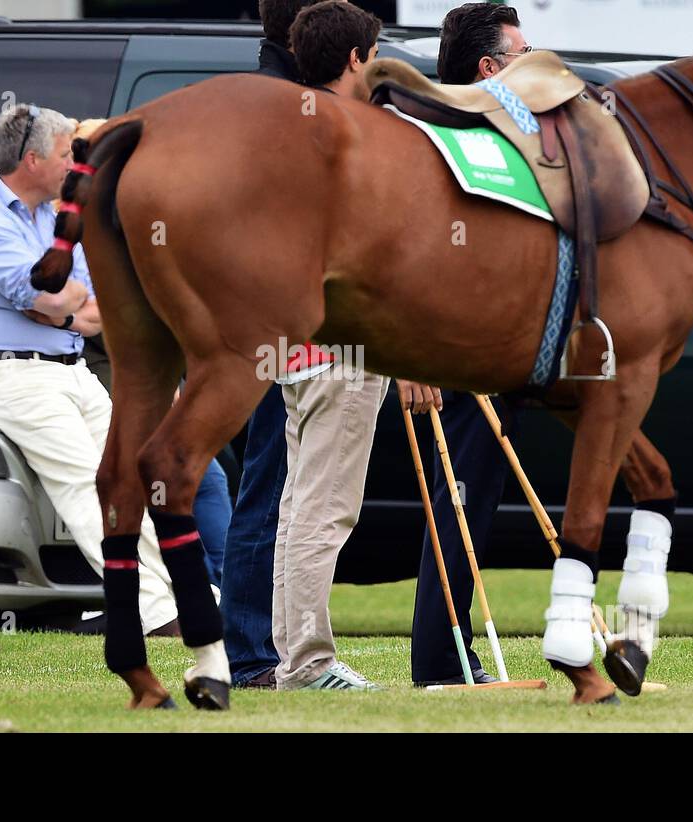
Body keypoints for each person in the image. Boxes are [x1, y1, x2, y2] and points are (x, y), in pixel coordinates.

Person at [0, 104, 185, 636]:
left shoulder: (52, 217)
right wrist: (60, 304)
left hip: (72, 369)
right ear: (31, 161)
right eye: (66, 155)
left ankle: (173, 594)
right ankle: (153, 611)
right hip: (9, 375)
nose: (76, 165)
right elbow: (44, 290)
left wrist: (60, 307)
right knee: (85, 483)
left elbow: (92, 300)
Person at [269, 0, 441, 692]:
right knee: (323, 508)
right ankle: (307, 664)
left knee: (298, 507)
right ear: (353, 60)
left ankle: (295, 660)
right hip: (342, 347)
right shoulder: (348, 136)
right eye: (373, 54)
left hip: (297, 345)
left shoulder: (286, 129)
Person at [408, 0, 529, 687]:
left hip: (488, 348)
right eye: (523, 55)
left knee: (472, 505)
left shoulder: (483, 131)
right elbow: (416, 253)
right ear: (490, 68)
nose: (534, 67)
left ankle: (453, 659)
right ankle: (442, 662)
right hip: (452, 354)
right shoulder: (444, 136)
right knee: (454, 507)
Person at [219, 0, 320, 691]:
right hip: (271, 324)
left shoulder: (269, 95)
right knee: (270, 487)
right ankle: (253, 652)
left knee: (278, 487)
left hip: (264, 320)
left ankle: (265, 647)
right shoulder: (278, 103)